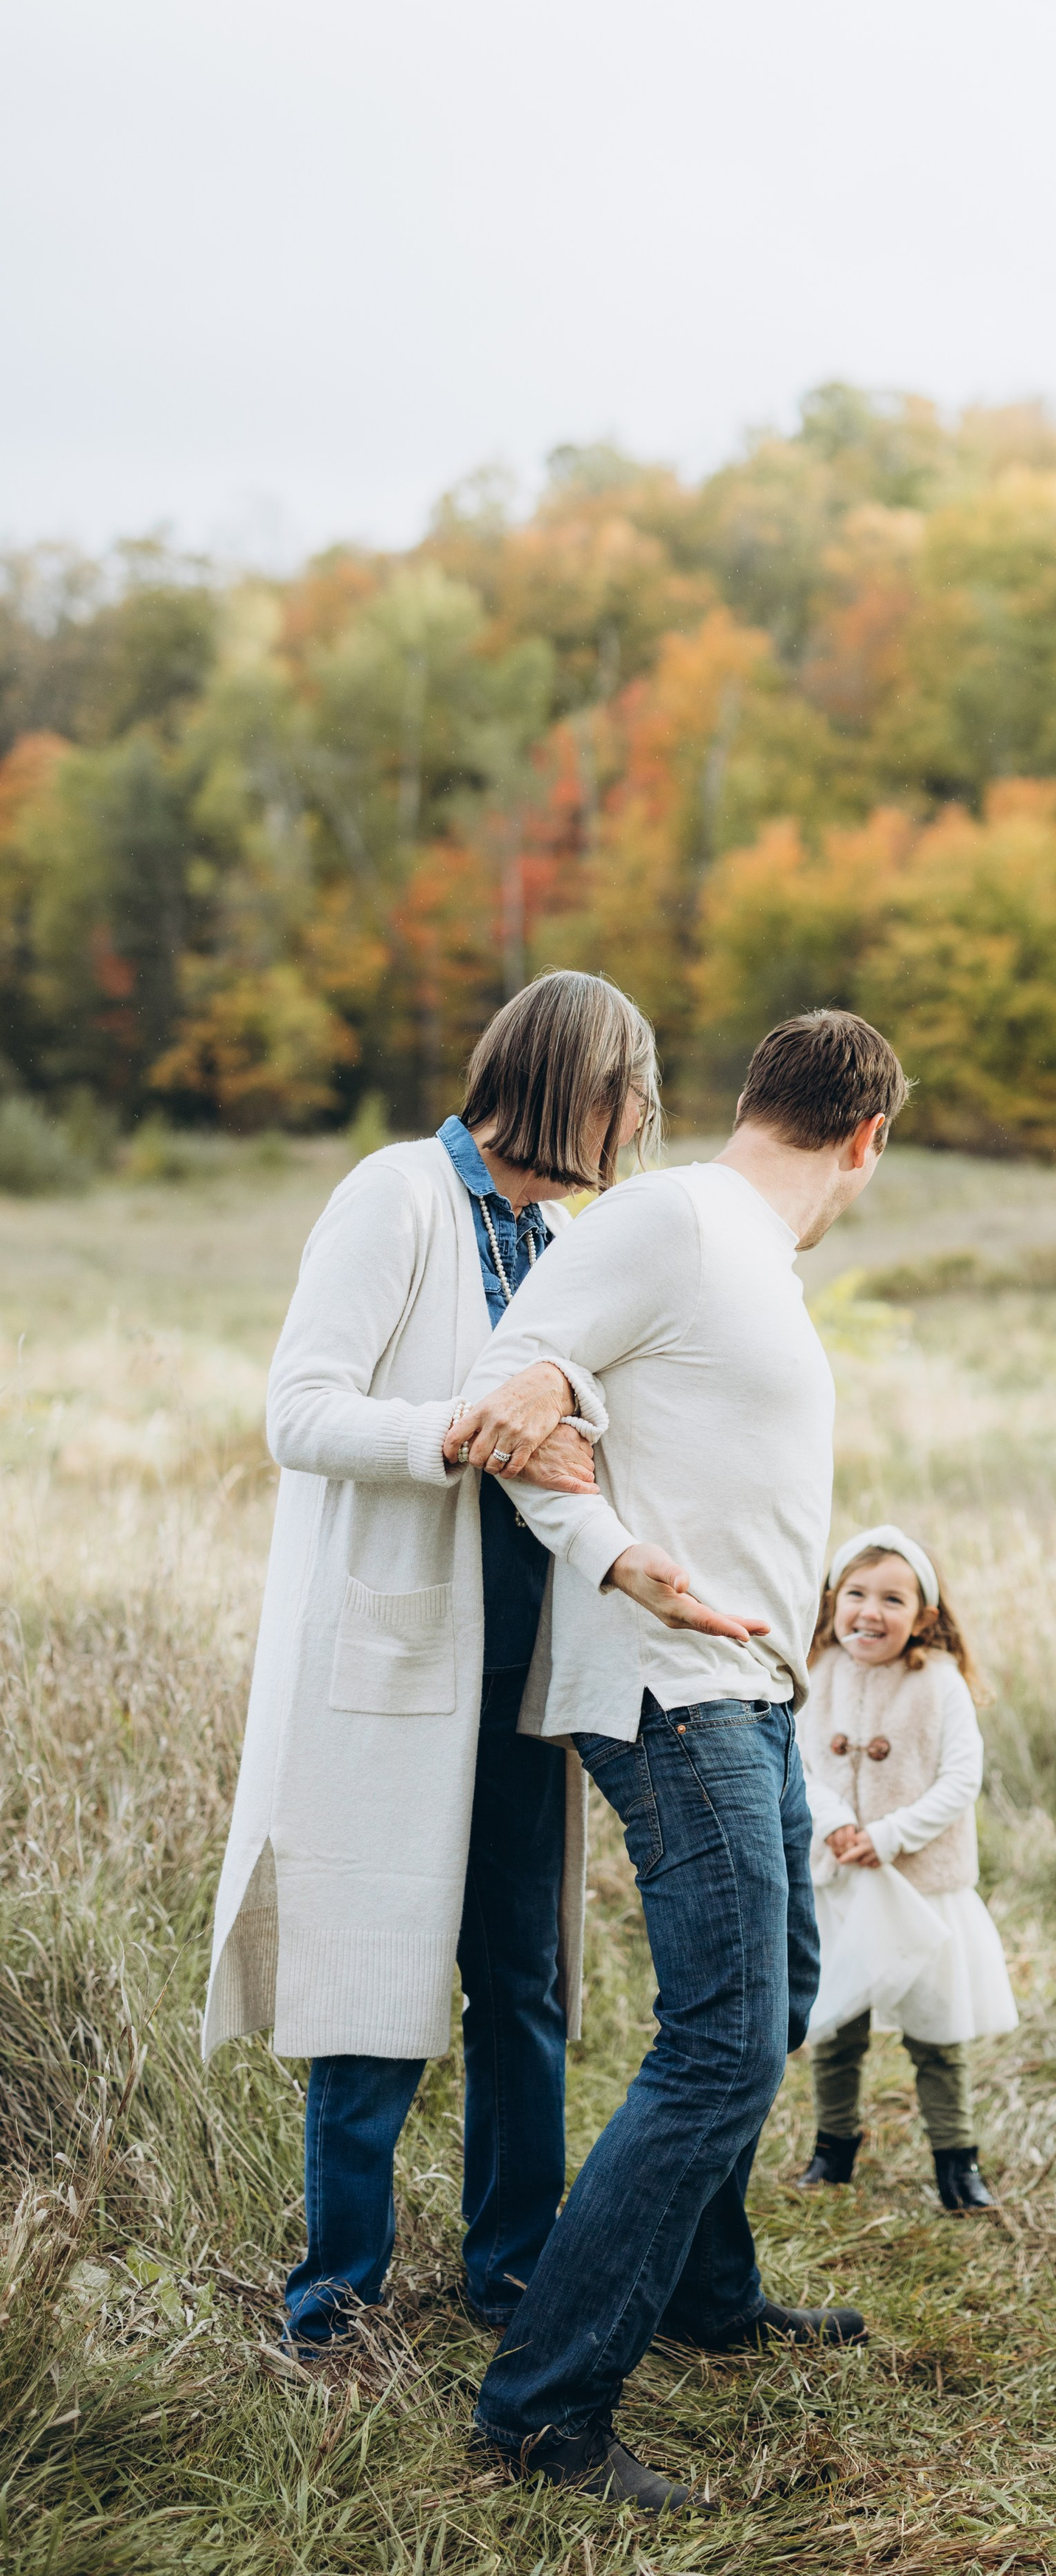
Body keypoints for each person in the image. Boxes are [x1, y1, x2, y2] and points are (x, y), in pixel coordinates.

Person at [442, 1009, 909, 2517]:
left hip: (748, 1686)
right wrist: (622, 1555)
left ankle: (709, 2298)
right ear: (866, 1140)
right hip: (670, 1688)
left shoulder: (740, 1255)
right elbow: (515, 1386)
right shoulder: (675, 1218)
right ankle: (539, 2408)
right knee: (717, 2038)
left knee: (768, 1996)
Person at [201, 972, 661, 2354]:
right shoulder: (395, 1196)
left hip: (528, 1672)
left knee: (520, 1980)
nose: (642, 1121)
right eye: (632, 1092)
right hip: (397, 1672)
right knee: (371, 1980)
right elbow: (299, 1410)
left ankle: (511, 2274)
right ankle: (334, 2302)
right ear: (576, 1085)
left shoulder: (569, 1233)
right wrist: (460, 1433)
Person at [792, 1525, 1017, 2215]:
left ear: (924, 1615)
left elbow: (960, 1779)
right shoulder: (817, 1675)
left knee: (935, 2028)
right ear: (832, 1602)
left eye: (893, 1599)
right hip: (840, 1878)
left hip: (918, 1879)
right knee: (836, 2025)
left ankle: (956, 2159)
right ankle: (833, 2151)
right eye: (856, 1594)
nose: (871, 1611)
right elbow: (798, 1763)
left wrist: (888, 1836)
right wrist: (835, 1825)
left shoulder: (939, 1684)